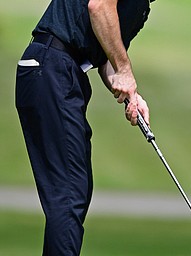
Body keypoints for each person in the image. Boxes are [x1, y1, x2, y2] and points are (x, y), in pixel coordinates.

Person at [15, 0, 155, 255]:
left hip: (58, 72)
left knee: (75, 191)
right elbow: (99, 6)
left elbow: (106, 56)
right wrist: (124, 70)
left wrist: (132, 94)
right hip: (51, 67)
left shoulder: (141, 7)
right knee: (68, 197)